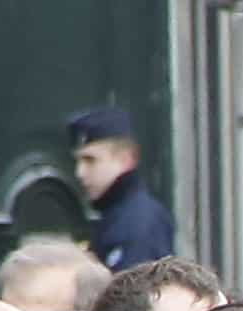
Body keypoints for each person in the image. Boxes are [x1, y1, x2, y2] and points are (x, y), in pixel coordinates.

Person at [66, 104, 178, 267]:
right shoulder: (114, 217)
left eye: (90, 160)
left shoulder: (140, 222)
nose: (80, 172)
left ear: (124, 159)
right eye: (77, 161)